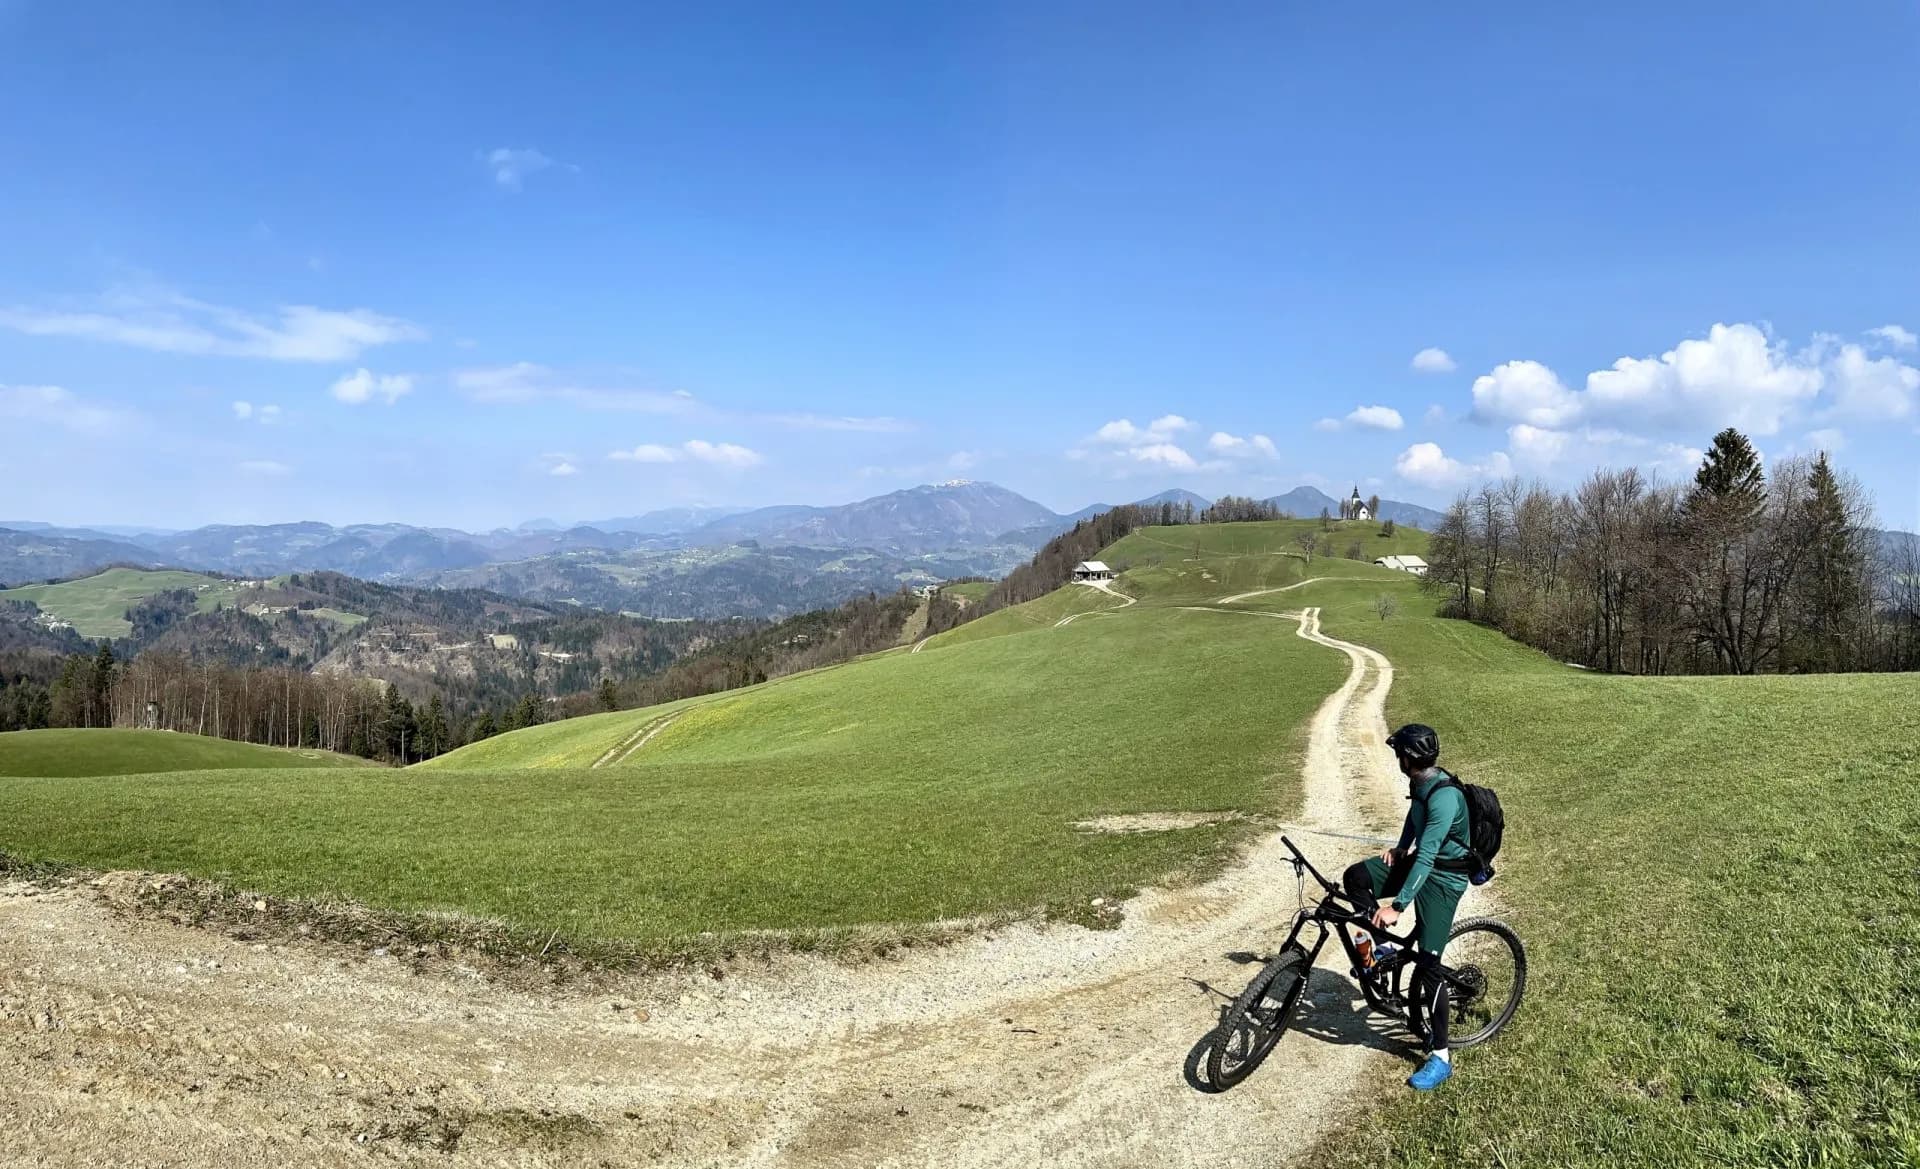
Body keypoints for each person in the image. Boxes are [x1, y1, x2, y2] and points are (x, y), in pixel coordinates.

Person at [1343, 723, 1471, 1091]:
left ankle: (1441, 1057)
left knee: (1430, 966)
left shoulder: (1445, 796)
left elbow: (1429, 855)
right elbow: (1415, 820)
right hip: (1420, 863)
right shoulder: (1420, 783)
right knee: (1356, 878)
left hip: (1445, 878)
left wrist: (1398, 906)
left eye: (1398, 751)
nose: (1396, 757)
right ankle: (1383, 948)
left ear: (1409, 758)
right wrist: (1401, 847)